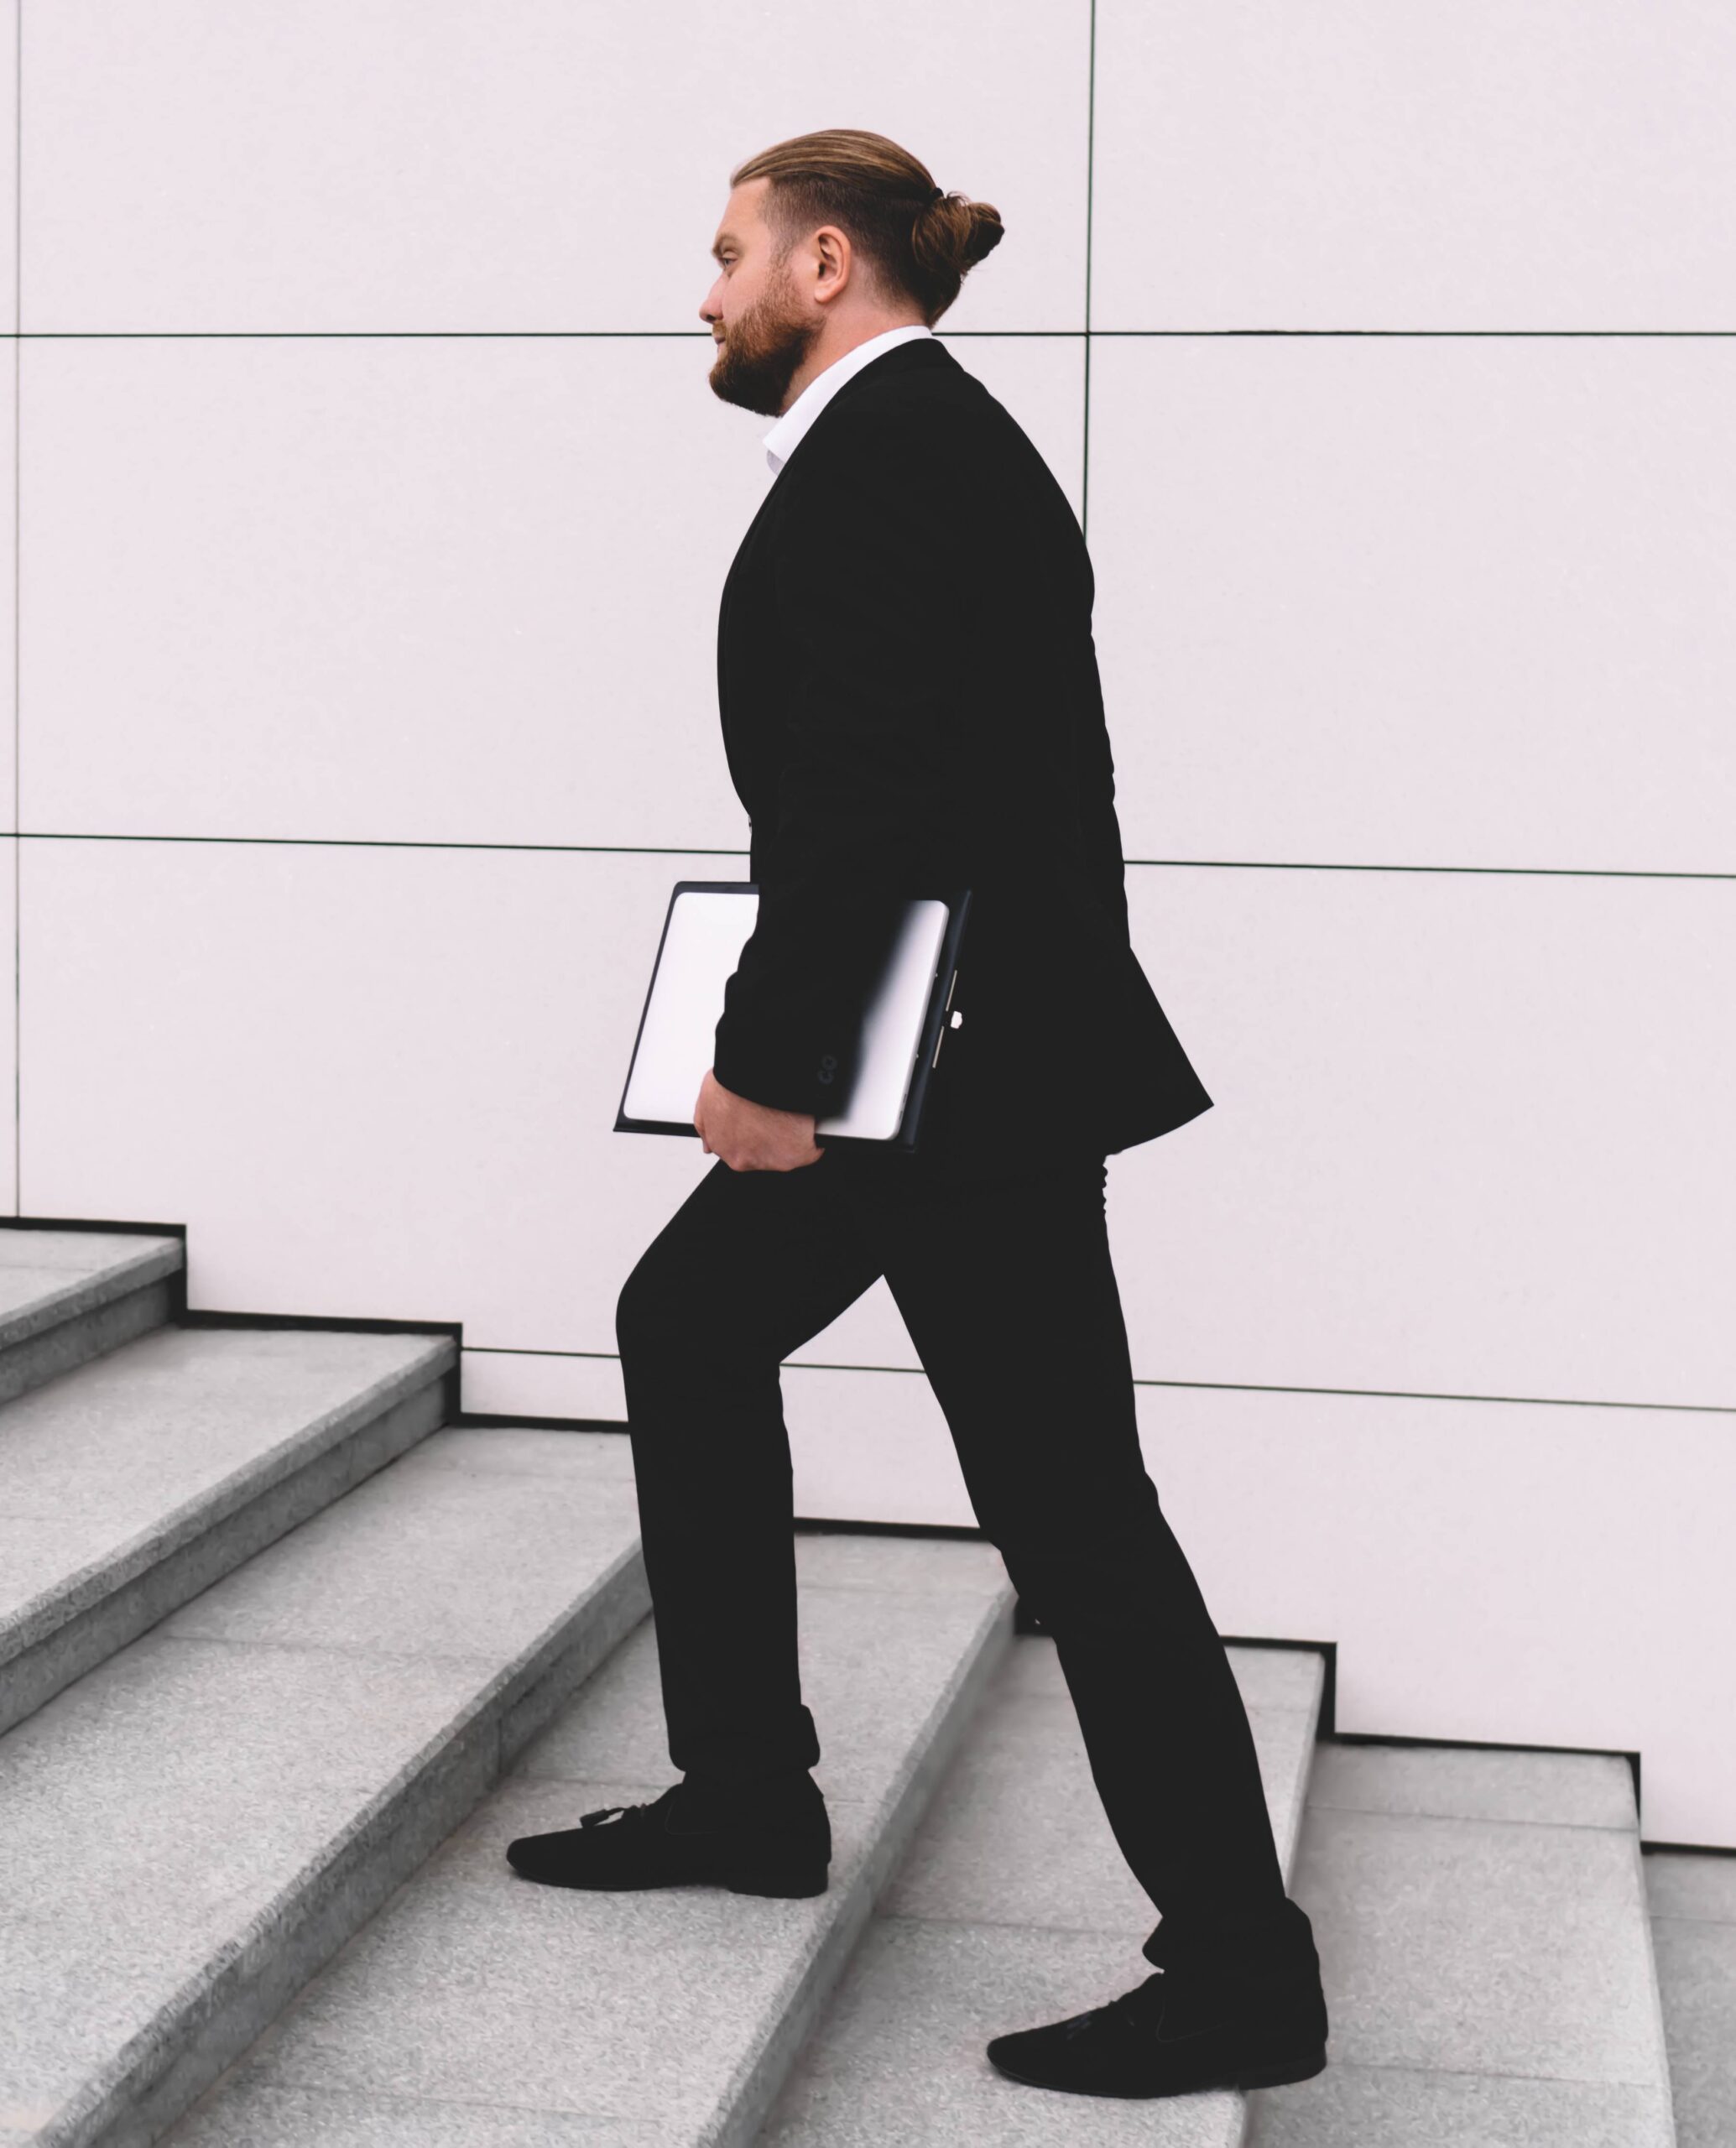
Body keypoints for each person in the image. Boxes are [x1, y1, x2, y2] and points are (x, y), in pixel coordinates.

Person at [506, 127, 1328, 2104]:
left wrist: (771, 1074)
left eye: (725, 251)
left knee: (1072, 1513)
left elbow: (865, 809)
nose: (698, 290)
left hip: (944, 1095)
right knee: (696, 1331)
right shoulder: (940, 449)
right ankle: (746, 1792)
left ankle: (1236, 1964)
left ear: (823, 265)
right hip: (978, 1070)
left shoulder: (894, 466)